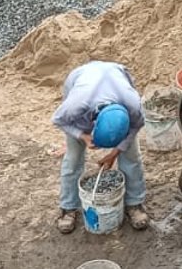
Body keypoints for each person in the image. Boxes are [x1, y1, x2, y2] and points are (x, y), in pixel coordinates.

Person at [52, 60, 148, 233]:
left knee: (131, 156)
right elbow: (58, 120)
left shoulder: (133, 105)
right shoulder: (76, 106)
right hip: (83, 83)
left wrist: (115, 152)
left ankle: (134, 203)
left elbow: (136, 127)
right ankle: (68, 207)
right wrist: (82, 136)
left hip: (114, 77)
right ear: (93, 123)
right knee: (73, 159)